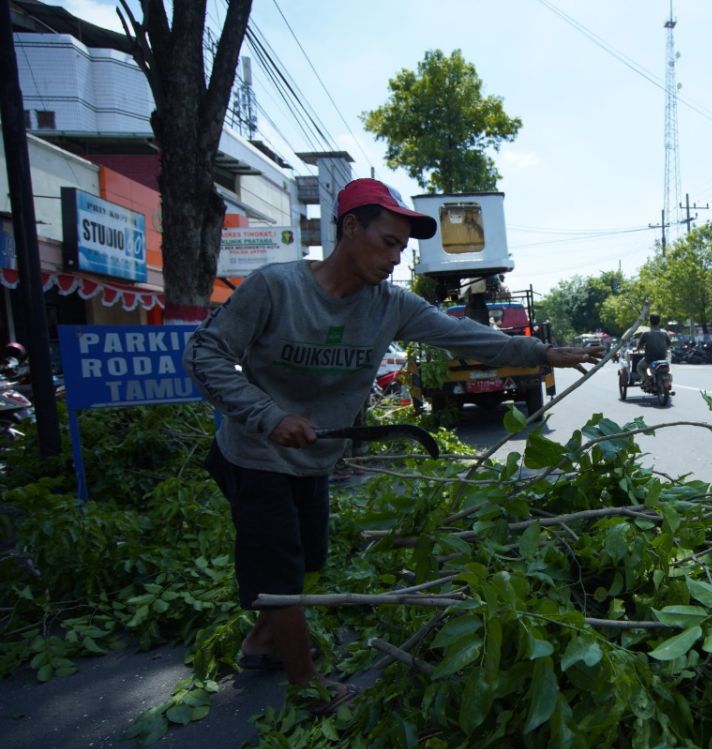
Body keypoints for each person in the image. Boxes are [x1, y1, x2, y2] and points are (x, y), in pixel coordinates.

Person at [184, 178, 602, 713]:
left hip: (316, 457)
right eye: (388, 242)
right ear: (351, 227)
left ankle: (261, 643)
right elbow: (204, 355)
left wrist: (542, 353)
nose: (394, 257)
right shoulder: (275, 288)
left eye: (402, 249)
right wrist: (267, 415)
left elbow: (470, 339)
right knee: (284, 573)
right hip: (255, 455)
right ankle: (306, 683)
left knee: (309, 559)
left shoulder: (391, 306)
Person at [636, 314, 671, 385]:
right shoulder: (664, 333)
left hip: (649, 360)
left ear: (650, 322)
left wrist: (638, 349)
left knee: (639, 367)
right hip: (663, 359)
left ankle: (645, 379)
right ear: (659, 321)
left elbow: (639, 347)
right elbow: (669, 345)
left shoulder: (646, 333)